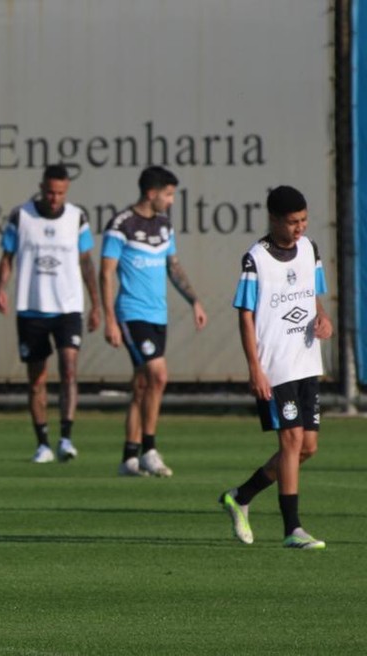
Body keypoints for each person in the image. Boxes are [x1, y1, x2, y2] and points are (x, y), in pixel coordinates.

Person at [219, 186, 332, 549]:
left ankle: (241, 495)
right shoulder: (256, 259)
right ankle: (292, 529)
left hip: (306, 361)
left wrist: (323, 318)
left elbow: (313, 295)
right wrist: (255, 368)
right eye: (292, 222)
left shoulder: (310, 249)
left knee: (307, 447)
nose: (300, 227)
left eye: (304, 220)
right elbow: (245, 316)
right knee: (292, 440)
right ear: (274, 220)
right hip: (276, 365)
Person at [100, 166, 207, 477]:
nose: (171, 201)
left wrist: (194, 300)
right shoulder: (121, 224)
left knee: (142, 385)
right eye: (168, 194)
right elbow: (106, 273)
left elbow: (173, 267)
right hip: (131, 314)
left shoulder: (164, 226)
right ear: (151, 193)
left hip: (158, 314)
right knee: (158, 375)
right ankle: (149, 449)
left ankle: (128, 458)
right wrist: (110, 319)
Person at [0, 165, 100, 464]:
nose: (55, 198)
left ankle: (66, 438)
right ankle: (42, 444)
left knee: (69, 369)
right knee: (37, 379)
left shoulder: (77, 217)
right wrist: (0, 288)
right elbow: (7, 257)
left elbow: (86, 262)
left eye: (60, 193)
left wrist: (96, 304)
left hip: (68, 307)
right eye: (51, 192)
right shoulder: (21, 216)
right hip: (31, 308)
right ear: (41, 188)